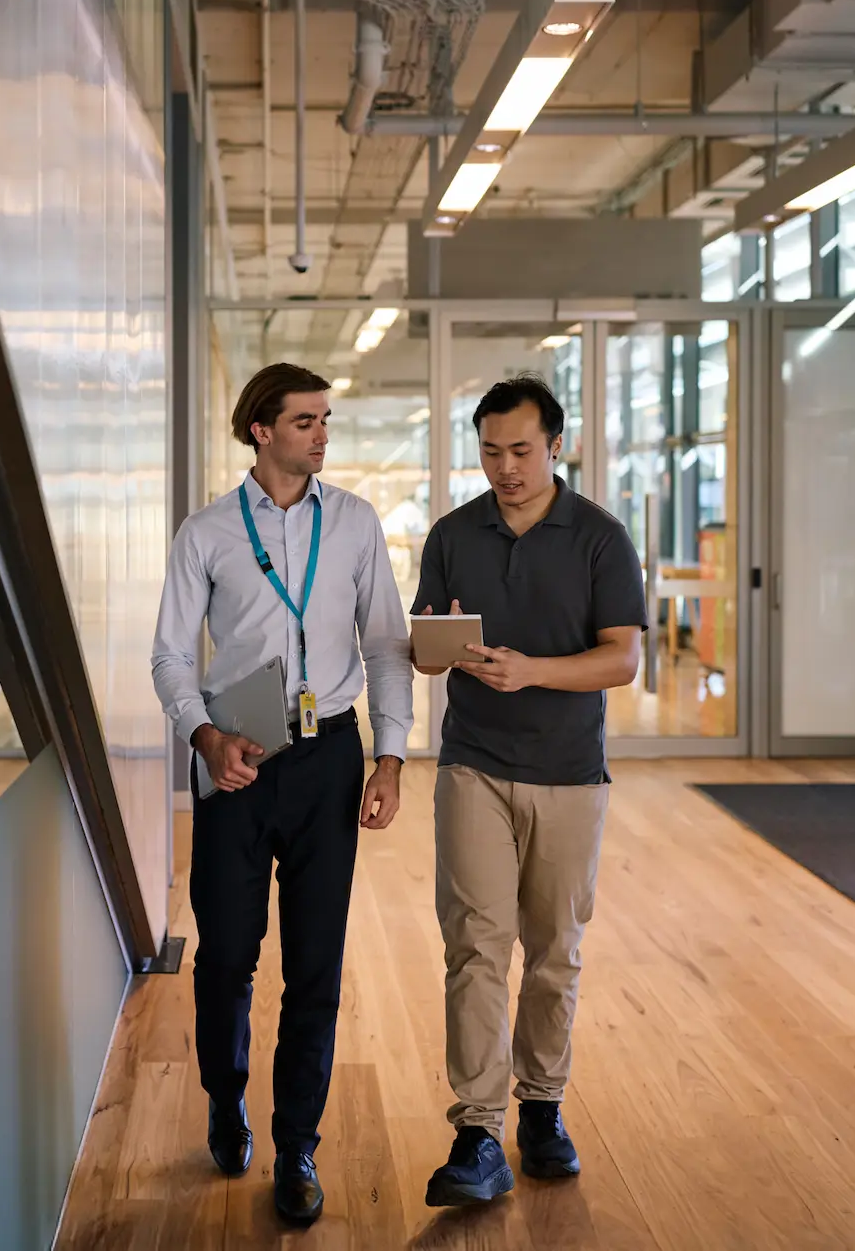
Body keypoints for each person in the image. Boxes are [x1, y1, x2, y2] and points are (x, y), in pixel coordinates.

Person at [150, 361, 413, 1226]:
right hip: (236, 758)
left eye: (326, 420)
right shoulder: (208, 534)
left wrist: (392, 756)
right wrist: (204, 735)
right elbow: (171, 658)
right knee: (226, 954)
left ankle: (297, 1142)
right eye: (306, 421)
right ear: (260, 429)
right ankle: (227, 1099)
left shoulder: (355, 524)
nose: (322, 434)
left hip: (328, 759)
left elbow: (383, 645)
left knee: (316, 966)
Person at [412, 375, 644, 1206]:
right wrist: (435, 651)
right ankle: (477, 1131)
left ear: (557, 445)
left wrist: (532, 671)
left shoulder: (600, 538)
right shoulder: (451, 534)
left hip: (570, 775)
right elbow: (424, 643)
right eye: (489, 451)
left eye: (520, 450)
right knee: (476, 943)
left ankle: (541, 1106)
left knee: (555, 950)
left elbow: (622, 658)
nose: (504, 467)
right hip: (472, 762)